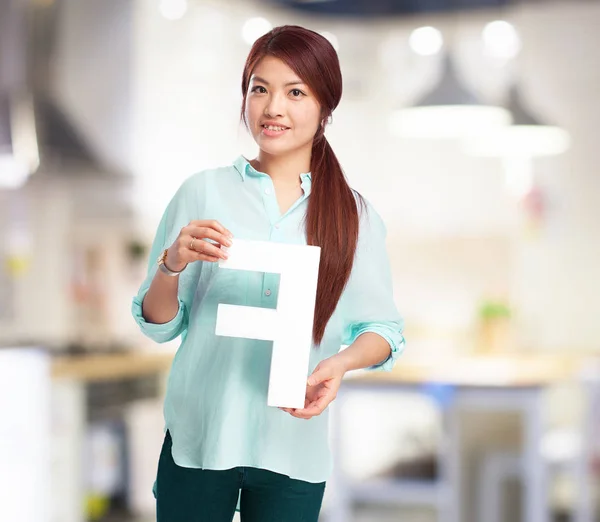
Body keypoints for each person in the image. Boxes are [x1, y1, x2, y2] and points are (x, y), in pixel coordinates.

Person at [132, 24, 405, 522]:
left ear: (325, 107)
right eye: (260, 89)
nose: (273, 107)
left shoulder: (353, 216)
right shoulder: (202, 193)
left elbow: (383, 330)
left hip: (291, 446)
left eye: (295, 92)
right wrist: (171, 265)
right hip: (200, 436)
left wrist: (340, 364)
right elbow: (159, 323)